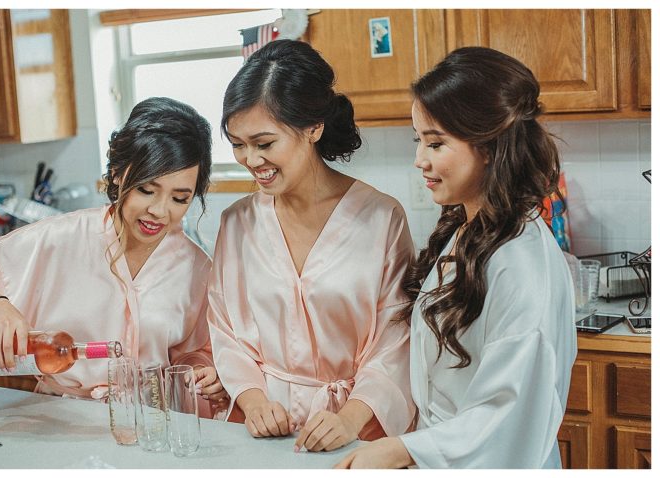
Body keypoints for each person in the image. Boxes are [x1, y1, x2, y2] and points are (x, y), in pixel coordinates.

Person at [335, 47, 577, 469]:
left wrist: (402, 449)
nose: (419, 160)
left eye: (436, 143)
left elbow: (510, 413)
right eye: (419, 140)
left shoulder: (521, 260)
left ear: (487, 147)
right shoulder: (467, 229)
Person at [208, 39, 415, 451]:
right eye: (237, 144)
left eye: (265, 143)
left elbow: (398, 340)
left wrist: (350, 419)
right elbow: (224, 331)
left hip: (357, 432)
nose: (249, 159)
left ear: (313, 128)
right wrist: (254, 402)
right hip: (263, 432)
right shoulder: (237, 223)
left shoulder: (381, 219)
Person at [0, 97, 228, 412]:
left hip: (151, 423)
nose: (159, 211)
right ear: (117, 173)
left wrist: (202, 372)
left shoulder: (196, 267)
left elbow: (196, 352)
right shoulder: (60, 239)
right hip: (61, 420)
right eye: (146, 190)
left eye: (179, 198)